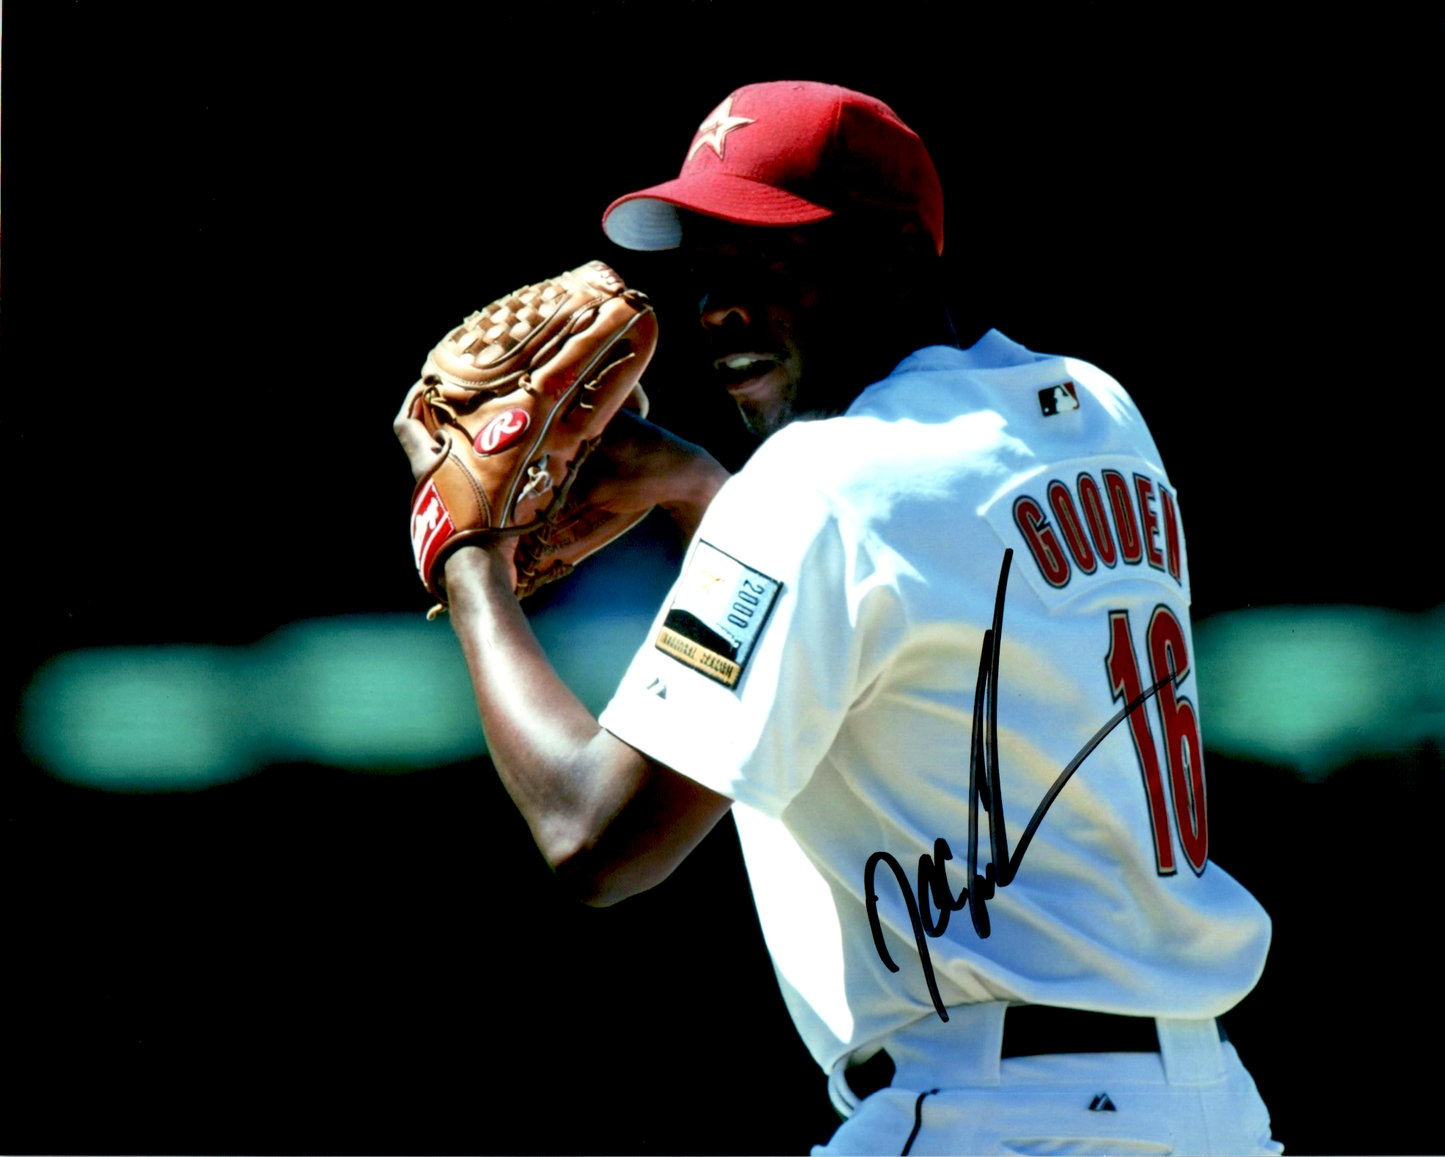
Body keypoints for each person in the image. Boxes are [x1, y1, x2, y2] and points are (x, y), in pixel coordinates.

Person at [394, 80, 1281, 1156]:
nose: (718, 306)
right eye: (704, 265)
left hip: (988, 1116)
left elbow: (592, 836)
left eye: (768, 256)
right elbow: (905, 581)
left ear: (897, 262)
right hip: (1207, 1112)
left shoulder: (812, 488)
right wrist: (698, 488)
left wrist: (468, 553)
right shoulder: (1092, 409)